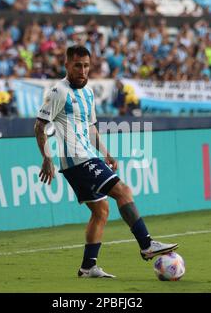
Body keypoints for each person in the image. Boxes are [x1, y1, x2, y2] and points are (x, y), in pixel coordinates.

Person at [33, 45, 178, 278]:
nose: (82, 70)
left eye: (86, 65)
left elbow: (90, 127)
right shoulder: (58, 92)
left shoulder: (88, 93)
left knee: (101, 210)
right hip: (77, 160)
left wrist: (106, 152)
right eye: (77, 65)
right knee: (123, 191)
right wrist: (46, 158)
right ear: (67, 65)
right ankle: (146, 244)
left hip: (86, 156)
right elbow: (40, 125)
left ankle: (88, 266)